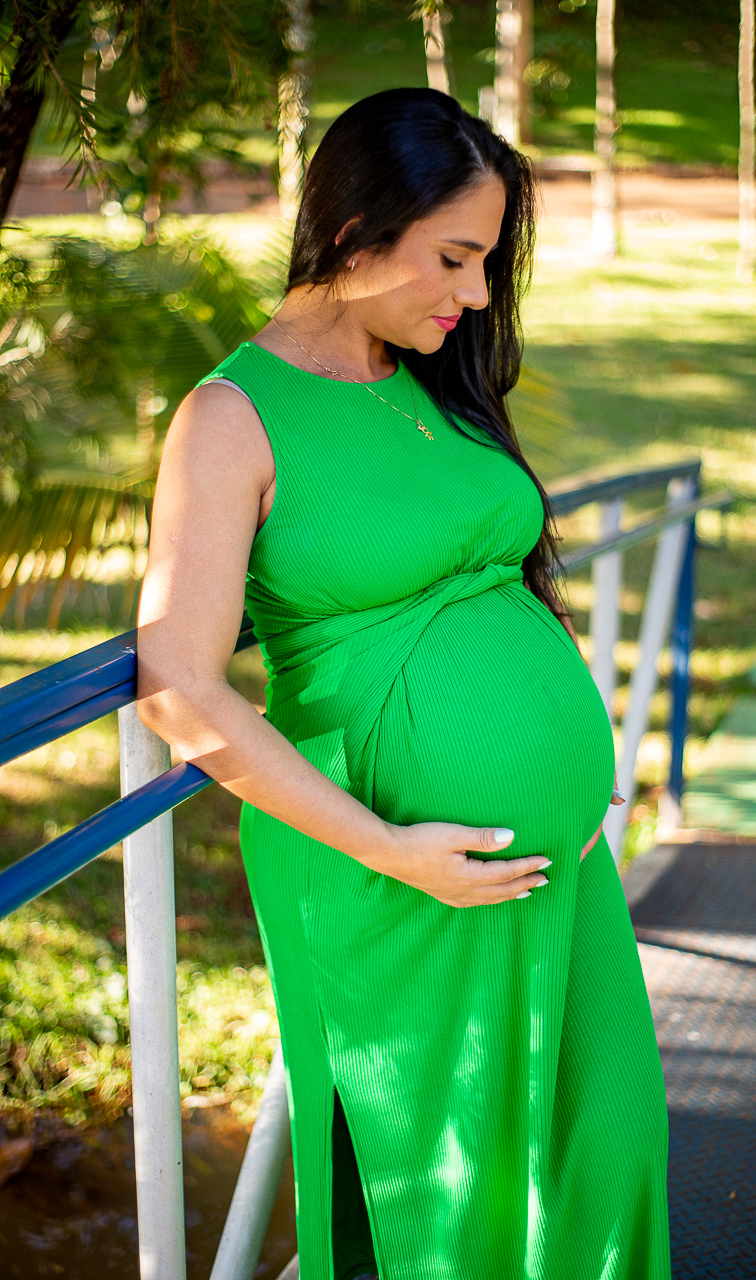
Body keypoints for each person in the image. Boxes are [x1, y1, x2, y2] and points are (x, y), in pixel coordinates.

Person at [137, 88, 670, 1280]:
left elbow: (510, 580)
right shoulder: (228, 418)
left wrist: (588, 766)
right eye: (454, 257)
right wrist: (389, 846)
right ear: (354, 227)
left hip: (557, 859)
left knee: (605, 1144)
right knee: (429, 1195)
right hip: (394, 870)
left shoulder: (431, 368)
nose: (475, 294)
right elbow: (176, 684)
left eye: (484, 262)